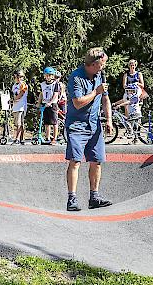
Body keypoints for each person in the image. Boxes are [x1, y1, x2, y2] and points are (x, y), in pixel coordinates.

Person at [64, 47, 113, 211]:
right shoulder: (76, 77)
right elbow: (77, 103)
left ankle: (94, 197)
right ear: (93, 64)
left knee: (97, 161)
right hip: (77, 125)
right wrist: (95, 92)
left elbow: (105, 99)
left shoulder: (100, 75)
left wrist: (109, 120)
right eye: (101, 64)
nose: (103, 67)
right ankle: (72, 199)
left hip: (95, 124)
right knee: (75, 161)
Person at [38, 67, 61, 145]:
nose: (48, 77)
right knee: (46, 123)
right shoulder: (43, 84)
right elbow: (41, 94)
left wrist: (50, 102)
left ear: (52, 76)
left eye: (49, 75)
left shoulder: (55, 84)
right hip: (45, 104)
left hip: (52, 105)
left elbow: (55, 95)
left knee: (54, 122)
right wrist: (39, 102)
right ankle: (47, 137)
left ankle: (54, 138)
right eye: (46, 75)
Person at [11, 69, 29, 145]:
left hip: (21, 106)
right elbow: (14, 94)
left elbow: (21, 94)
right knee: (18, 123)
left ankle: (17, 139)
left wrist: (14, 99)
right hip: (15, 106)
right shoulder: (14, 85)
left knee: (19, 123)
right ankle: (22, 139)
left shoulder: (23, 85)